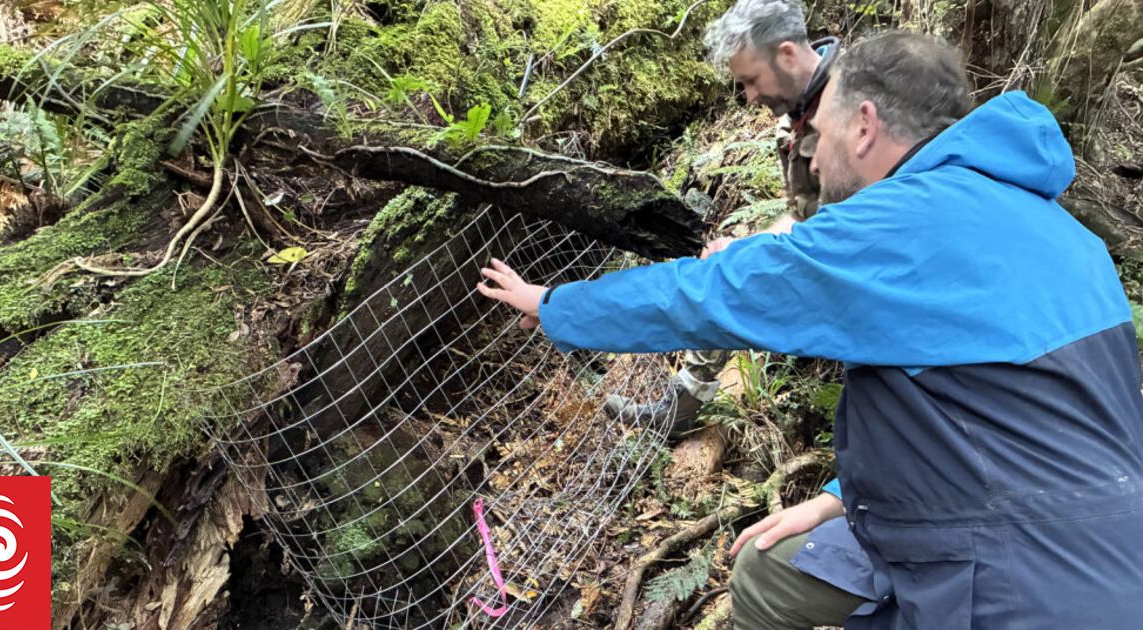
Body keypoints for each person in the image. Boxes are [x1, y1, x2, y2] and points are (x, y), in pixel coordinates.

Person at [477, 30, 1143, 630]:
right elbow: (993, 412)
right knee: (768, 571)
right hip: (1102, 543)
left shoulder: (893, 228)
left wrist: (554, 306)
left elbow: (710, 294)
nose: (814, 161)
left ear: (863, 126)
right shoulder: (1066, 235)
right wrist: (835, 501)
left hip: (1017, 578)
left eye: (817, 136)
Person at [607, 0, 841, 437]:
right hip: (825, 256)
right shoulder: (793, 118)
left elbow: (857, 225)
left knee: (732, 279)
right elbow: (802, 214)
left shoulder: (854, 106)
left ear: (787, 54)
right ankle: (687, 399)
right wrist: (745, 248)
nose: (749, 97)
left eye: (751, 80)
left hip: (864, 277)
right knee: (728, 261)